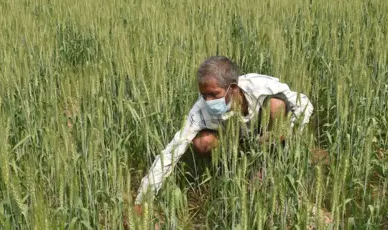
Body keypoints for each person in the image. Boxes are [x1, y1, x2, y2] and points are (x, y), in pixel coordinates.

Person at [133, 56, 314, 214]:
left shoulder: (261, 87)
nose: (208, 101)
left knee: (276, 105)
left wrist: (287, 132)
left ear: (233, 88)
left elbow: (304, 104)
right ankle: (229, 167)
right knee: (203, 142)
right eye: (204, 95)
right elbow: (171, 153)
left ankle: (269, 163)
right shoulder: (200, 111)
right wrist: (143, 199)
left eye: (214, 94)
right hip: (232, 140)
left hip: (267, 133)